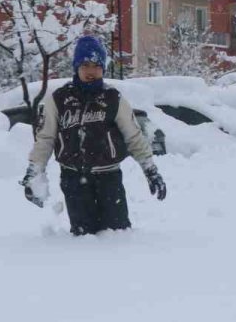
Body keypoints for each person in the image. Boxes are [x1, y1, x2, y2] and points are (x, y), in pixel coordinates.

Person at [20, 36, 166, 235]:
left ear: (103, 69)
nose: (91, 71)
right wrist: (34, 171)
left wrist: (150, 170)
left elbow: (133, 136)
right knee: (84, 239)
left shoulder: (113, 98)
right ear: (76, 67)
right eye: (85, 65)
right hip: (74, 180)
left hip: (109, 179)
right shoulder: (59, 99)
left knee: (118, 236)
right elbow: (45, 138)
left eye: (97, 66)